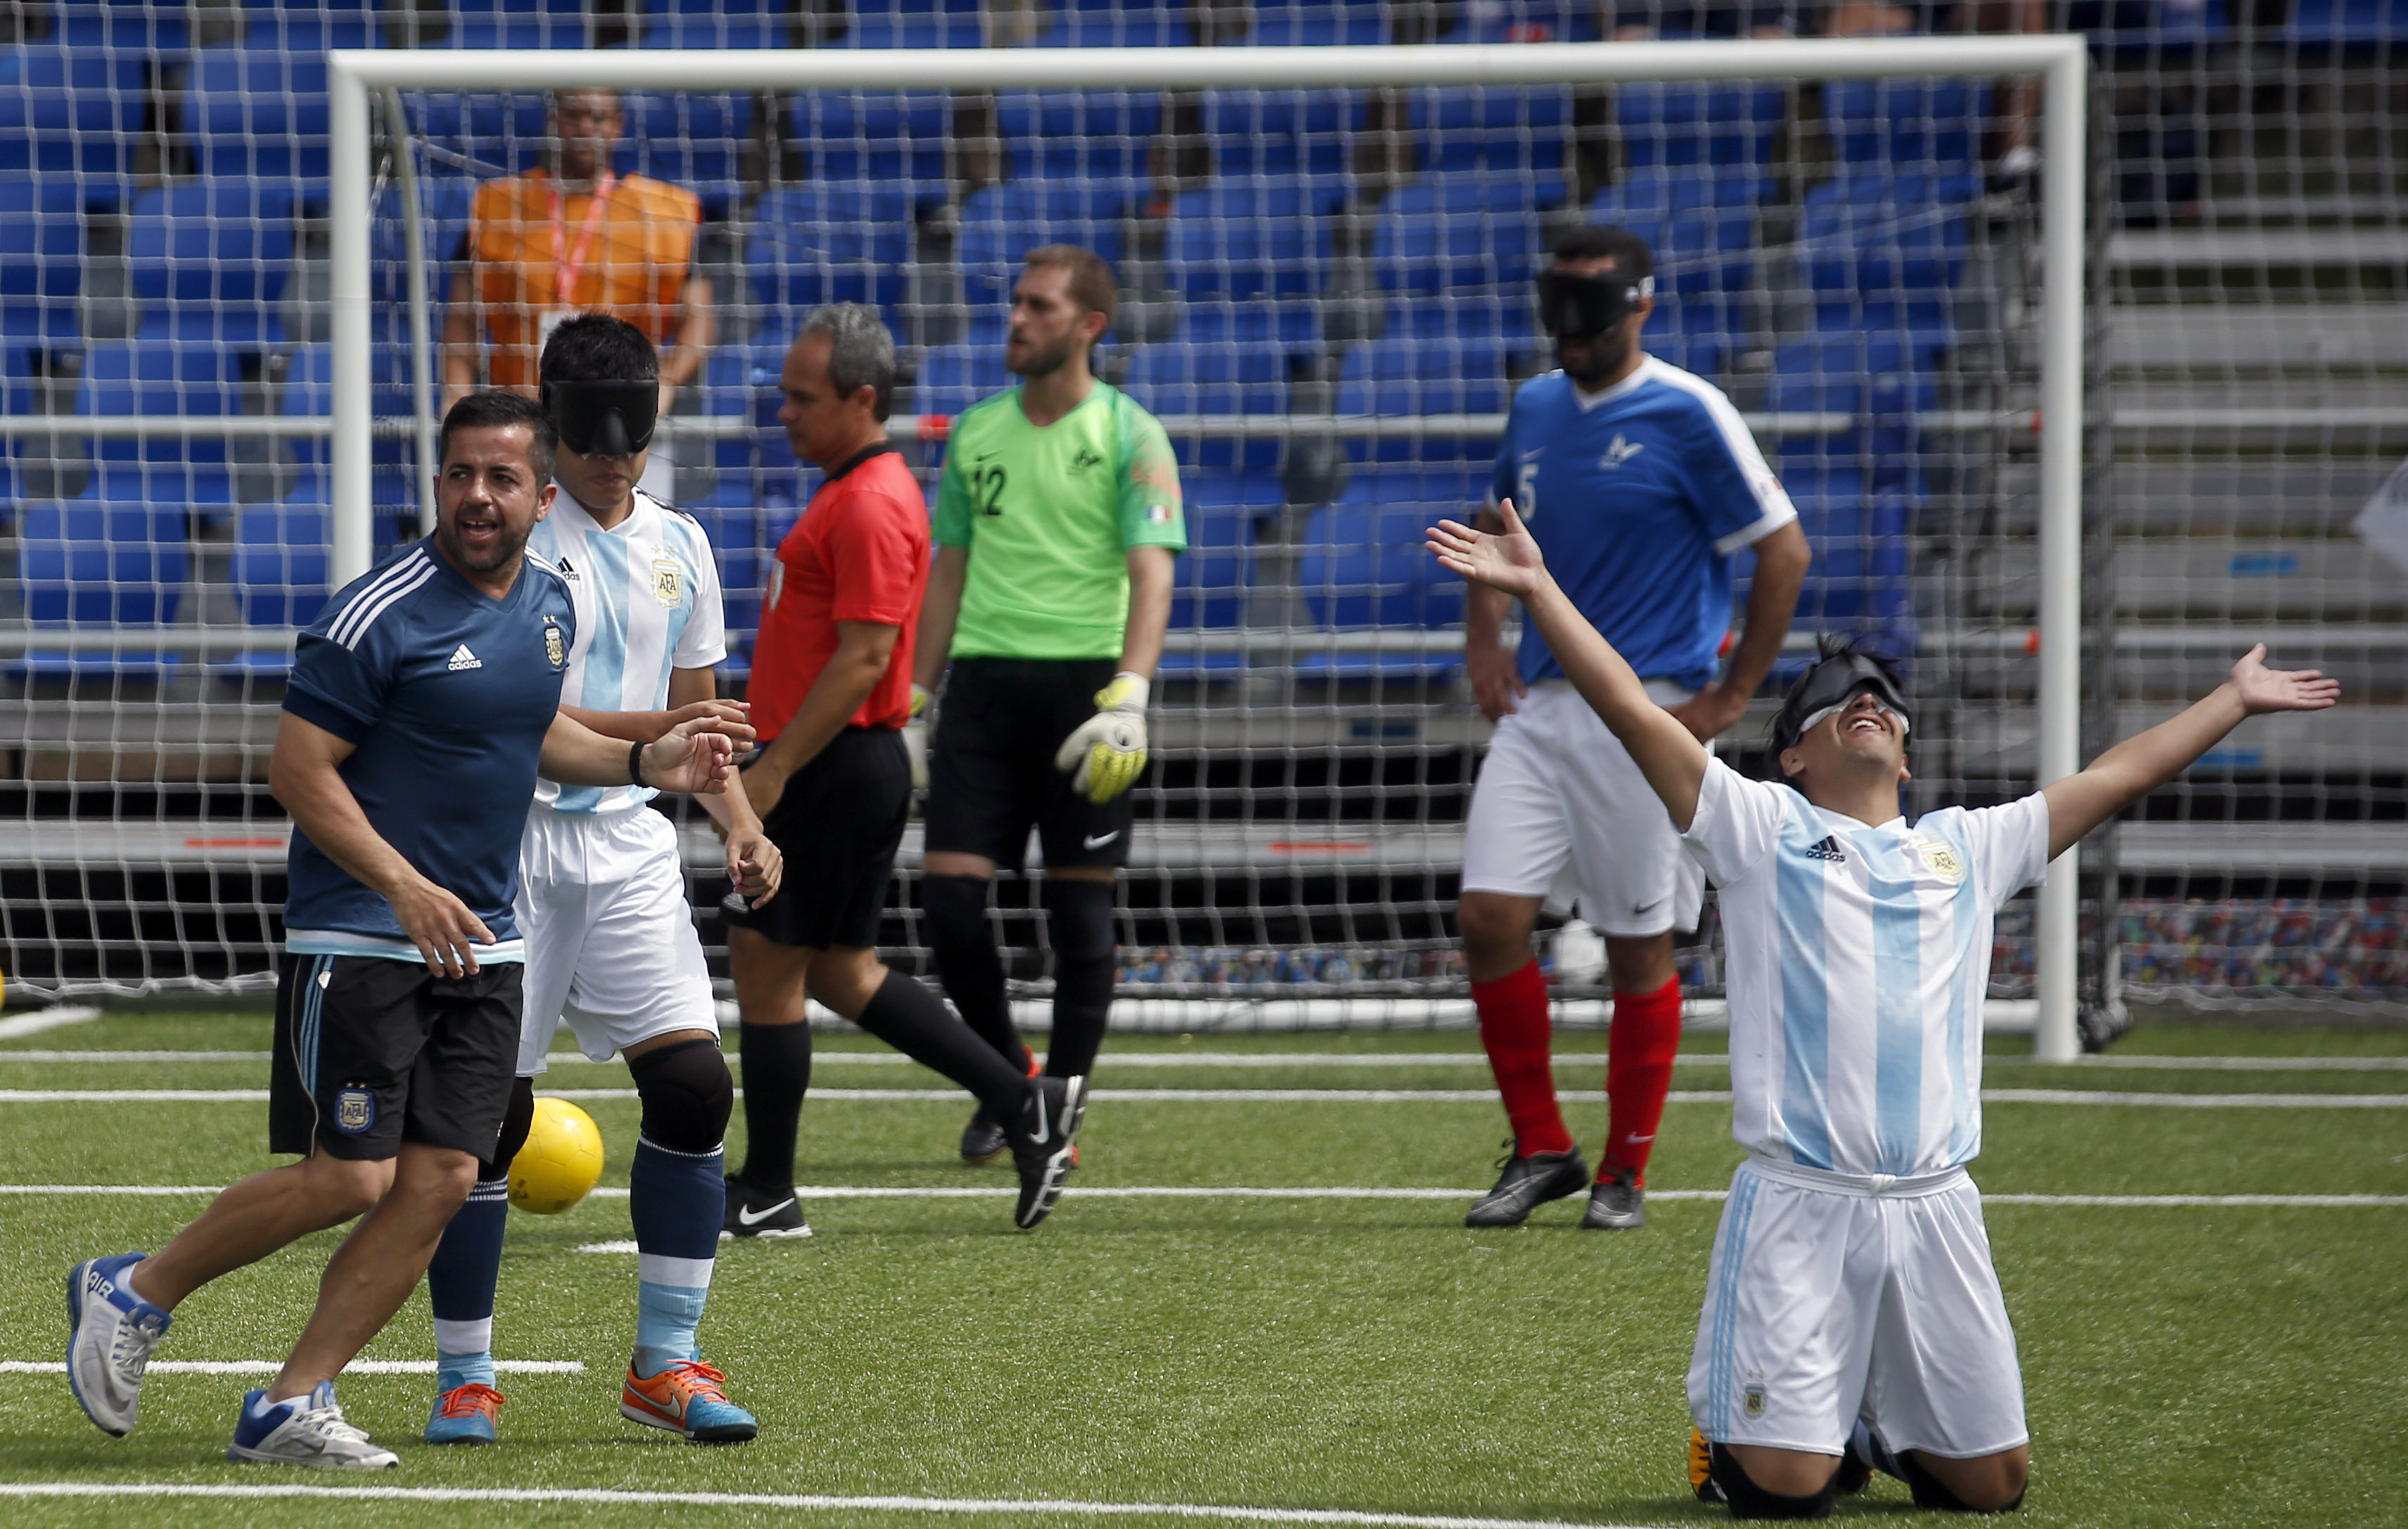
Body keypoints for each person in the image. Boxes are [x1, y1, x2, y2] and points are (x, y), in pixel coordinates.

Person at [1430, 499, 2340, 1520]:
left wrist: (2232, 699)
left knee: (1990, 1491)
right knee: (1782, 1495)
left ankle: (1860, 1424)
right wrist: (1540, 591)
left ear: (1905, 757)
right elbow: (1633, 711)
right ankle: (1750, 1440)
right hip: (1800, 1203)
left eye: (1884, 700)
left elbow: (2116, 774)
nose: (1866, 700)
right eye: (1834, 698)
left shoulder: (1966, 847)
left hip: (1937, 1208)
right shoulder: (1757, 827)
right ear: (1794, 756)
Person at [65, 391, 746, 1469]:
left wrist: (641, 761)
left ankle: (291, 1404)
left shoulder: (550, 611)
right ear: (437, 484)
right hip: (366, 938)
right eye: (461, 475)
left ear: (542, 494)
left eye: (502, 478)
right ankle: (135, 1288)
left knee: (437, 1181)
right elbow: (299, 771)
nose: (479, 496)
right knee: (351, 1177)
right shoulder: (374, 612)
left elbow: (534, 732)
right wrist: (400, 885)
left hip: (488, 946)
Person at [417, 315, 780, 1449]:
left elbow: (701, 718)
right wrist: (666, 740)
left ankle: (663, 1367)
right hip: (509, 845)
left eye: (633, 433)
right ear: (555, 423)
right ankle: (465, 1377)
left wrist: (743, 823)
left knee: (693, 1093)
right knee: (491, 1118)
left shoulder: (685, 544)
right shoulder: (514, 542)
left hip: (627, 847)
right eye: (592, 435)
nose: (614, 456)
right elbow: (527, 722)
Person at [1457, 225, 1811, 1231]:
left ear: (1638, 307)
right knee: (1488, 917)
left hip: (1647, 708)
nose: (1567, 331)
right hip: (1538, 707)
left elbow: (1783, 551)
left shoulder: (1691, 410)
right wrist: (1486, 636)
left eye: (1588, 311)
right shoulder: (1533, 404)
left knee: (1636, 946)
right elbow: (1497, 525)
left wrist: (1731, 698)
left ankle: (1625, 1171)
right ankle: (1540, 1149)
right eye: (1554, 308)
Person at [723, 303, 1087, 1235]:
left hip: (833, 765)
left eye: (803, 399)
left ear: (864, 399)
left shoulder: (873, 500)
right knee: (841, 971)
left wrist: (773, 773)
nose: (785, 414)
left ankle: (768, 1190)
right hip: (838, 761)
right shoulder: (853, 487)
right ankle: (1023, 1100)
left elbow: (864, 657)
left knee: (766, 963)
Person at [913, 245, 1186, 1168]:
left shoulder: (1131, 433)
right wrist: (916, 694)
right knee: (949, 906)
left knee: (1080, 922)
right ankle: (1010, 1081)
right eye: (1015, 303)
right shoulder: (976, 433)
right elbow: (948, 568)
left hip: (1089, 693)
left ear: (1088, 327)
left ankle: (1058, 1107)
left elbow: (1153, 573)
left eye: (1037, 306)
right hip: (984, 693)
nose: (1016, 319)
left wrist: (1132, 698)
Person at [442, 89, 715, 495]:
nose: (586, 128)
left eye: (599, 117)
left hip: (627, 420)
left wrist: (668, 385)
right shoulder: (498, 205)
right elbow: (462, 317)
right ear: (553, 122)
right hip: (523, 417)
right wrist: (455, 396)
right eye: (574, 115)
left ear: (618, 126)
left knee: (627, 542)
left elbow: (701, 318)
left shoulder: (664, 213)